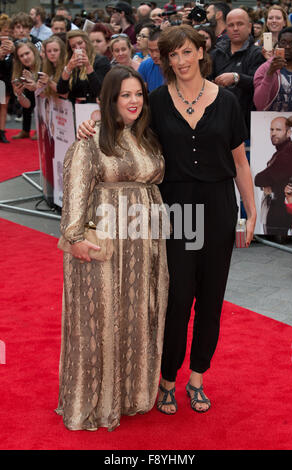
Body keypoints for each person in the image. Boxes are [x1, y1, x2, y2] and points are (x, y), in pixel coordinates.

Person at [77, 25, 256, 415]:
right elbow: (122, 119)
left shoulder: (226, 101)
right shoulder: (155, 100)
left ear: (200, 52)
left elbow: (240, 161)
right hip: (173, 212)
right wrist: (92, 119)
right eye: (172, 55)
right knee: (175, 298)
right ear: (166, 59)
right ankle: (168, 380)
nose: (180, 61)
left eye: (187, 52)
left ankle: (197, 380)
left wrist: (251, 209)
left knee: (211, 300)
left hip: (218, 209)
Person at [55, 65, 169, 431]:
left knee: (136, 314)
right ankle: (94, 399)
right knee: (99, 319)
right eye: (125, 95)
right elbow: (75, 190)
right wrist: (75, 239)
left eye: (138, 94)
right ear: (110, 99)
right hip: (104, 244)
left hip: (144, 244)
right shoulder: (91, 140)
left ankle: (129, 394)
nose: (134, 101)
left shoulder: (146, 137)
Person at [210, 8, 265, 138]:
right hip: (218, 122)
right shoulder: (215, 53)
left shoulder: (258, 54)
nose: (235, 28)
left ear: (249, 27)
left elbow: (260, 84)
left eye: (240, 24)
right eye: (231, 25)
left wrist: (237, 78)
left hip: (246, 124)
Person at [255, 116, 292, 235]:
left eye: (278, 130)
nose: (273, 133)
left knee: (275, 249)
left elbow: (259, 179)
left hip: (280, 216)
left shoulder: (287, 154)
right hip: (276, 213)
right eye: (272, 129)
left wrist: (267, 183)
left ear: (288, 132)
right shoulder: (281, 152)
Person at [56, 30, 111, 105]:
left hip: (93, 109)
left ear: (87, 42)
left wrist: (88, 66)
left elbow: (99, 91)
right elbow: (61, 90)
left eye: (80, 43)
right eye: (73, 46)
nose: (78, 48)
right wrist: (68, 68)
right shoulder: (71, 63)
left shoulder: (101, 61)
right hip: (74, 108)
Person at [253, 26, 292, 112]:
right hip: (268, 122)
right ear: (278, 44)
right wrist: (269, 74)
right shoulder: (264, 68)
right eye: (283, 42)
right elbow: (259, 105)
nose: (287, 47)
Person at [11, 41, 41, 140]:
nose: (25, 57)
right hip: (30, 99)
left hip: (48, 101)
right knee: (27, 95)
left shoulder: (44, 65)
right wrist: (19, 95)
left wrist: (35, 86)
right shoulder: (20, 70)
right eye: (21, 56)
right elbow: (27, 105)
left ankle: (40, 130)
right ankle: (25, 130)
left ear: (34, 52)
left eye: (27, 53)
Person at [0, 14, 14, 143]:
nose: (7, 34)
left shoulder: (12, 45)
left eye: (9, 31)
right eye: (4, 31)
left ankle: (2, 132)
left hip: (5, 81)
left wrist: (10, 53)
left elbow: (12, 64)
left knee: (4, 106)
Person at [137, 27, 164, 92]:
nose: (154, 55)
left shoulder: (177, 66)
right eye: (151, 51)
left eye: (157, 50)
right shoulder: (145, 65)